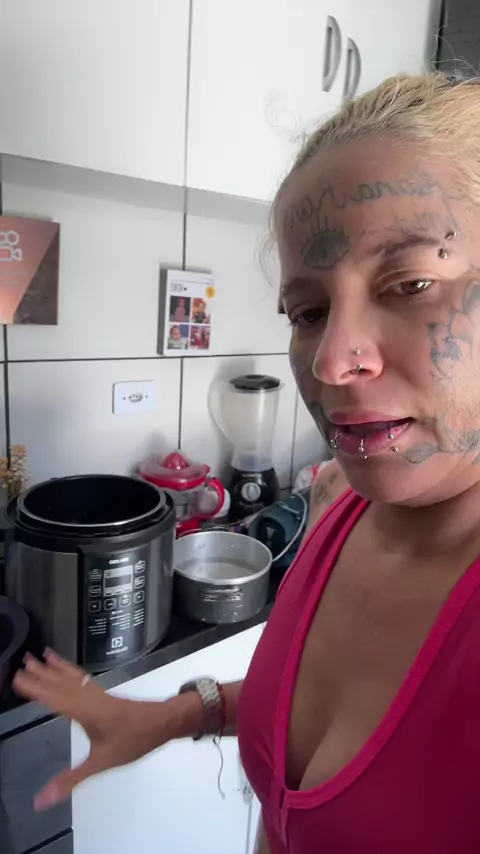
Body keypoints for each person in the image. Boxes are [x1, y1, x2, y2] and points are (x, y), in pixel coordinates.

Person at [14, 72, 480, 852]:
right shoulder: (339, 505)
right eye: (308, 311)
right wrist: (169, 716)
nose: (330, 361)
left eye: (410, 284)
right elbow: (306, 704)